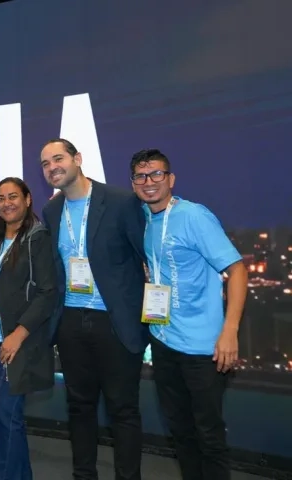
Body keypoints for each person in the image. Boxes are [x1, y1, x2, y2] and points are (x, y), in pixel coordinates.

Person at [130, 149, 246, 480]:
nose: (149, 182)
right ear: (133, 183)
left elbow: (237, 270)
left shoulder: (195, 216)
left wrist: (230, 330)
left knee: (209, 436)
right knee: (180, 431)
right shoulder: (143, 218)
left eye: (156, 174)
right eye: (141, 176)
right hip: (165, 342)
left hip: (203, 349)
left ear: (171, 179)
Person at [40, 139, 147, 480]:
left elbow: (144, 257)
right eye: (45, 163)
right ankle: (83, 475)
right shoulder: (51, 211)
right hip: (71, 321)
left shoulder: (120, 202)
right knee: (79, 407)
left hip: (114, 323)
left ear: (78, 159)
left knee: (123, 410)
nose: (52, 167)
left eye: (58, 158)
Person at [0, 178, 57, 480]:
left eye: (13, 197)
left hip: (17, 341)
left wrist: (17, 335)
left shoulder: (38, 238)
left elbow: (48, 293)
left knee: (6, 415)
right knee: (4, 416)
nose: (7, 203)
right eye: (1, 198)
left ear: (28, 199)